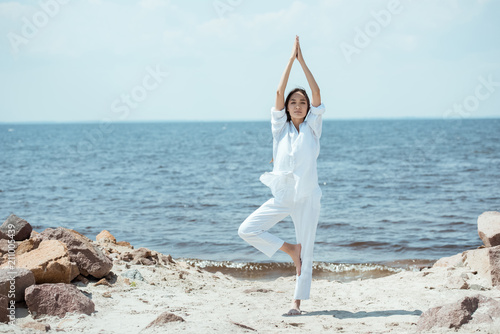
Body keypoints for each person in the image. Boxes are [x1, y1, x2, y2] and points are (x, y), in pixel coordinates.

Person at [238, 35, 325, 315]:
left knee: (307, 252)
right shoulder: (280, 129)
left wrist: (304, 62)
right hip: (284, 196)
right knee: (247, 229)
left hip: (308, 197)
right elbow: (278, 93)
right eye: (293, 102)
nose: (298, 104)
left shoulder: (313, 128)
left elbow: (318, 92)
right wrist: (290, 61)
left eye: (302, 102)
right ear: (287, 108)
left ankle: (296, 303)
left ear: (308, 108)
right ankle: (289, 249)